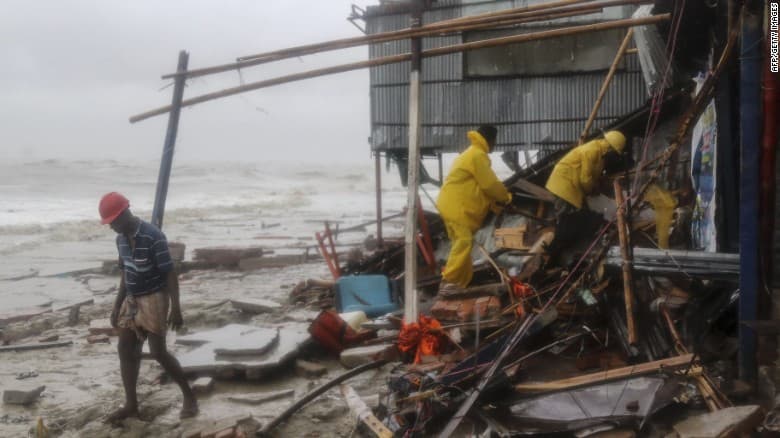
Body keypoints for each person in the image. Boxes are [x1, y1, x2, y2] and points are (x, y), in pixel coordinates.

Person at [99, 192, 198, 423]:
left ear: (124, 214)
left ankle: (190, 397)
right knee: (125, 348)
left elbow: (169, 273)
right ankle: (131, 405)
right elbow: (126, 273)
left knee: (158, 352)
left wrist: (176, 308)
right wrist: (116, 305)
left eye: (113, 221)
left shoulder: (153, 236)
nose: (111, 227)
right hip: (132, 298)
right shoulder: (120, 239)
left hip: (155, 296)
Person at [436, 126, 512, 293]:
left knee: (462, 244)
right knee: (464, 241)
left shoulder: (472, 153)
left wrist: (494, 204)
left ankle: (460, 284)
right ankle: (448, 282)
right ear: (490, 140)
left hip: (450, 204)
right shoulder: (477, 155)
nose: (495, 145)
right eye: (495, 141)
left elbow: (478, 186)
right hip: (456, 206)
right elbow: (489, 184)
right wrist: (505, 197)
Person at [544, 130, 626, 259]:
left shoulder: (600, 155)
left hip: (572, 186)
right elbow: (585, 178)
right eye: (615, 153)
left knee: (574, 217)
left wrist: (596, 184)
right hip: (564, 183)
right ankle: (553, 251)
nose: (614, 156)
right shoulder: (592, 150)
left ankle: (561, 247)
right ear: (610, 148)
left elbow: (593, 176)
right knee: (566, 218)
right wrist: (592, 190)